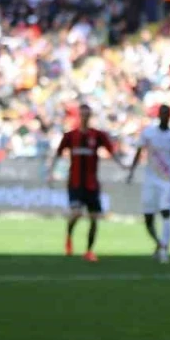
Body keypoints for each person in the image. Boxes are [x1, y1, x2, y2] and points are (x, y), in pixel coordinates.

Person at [48, 103, 118, 262]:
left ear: (90, 116)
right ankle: (69, 236)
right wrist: (51, 173)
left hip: (92, 184)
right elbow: (58, 154)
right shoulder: (70, 136)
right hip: (75, 183)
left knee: (94, 218)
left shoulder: (98, 135)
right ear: (79, 116)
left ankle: (89, 251)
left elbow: (111, 152)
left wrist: (123, 166)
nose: (85, 117)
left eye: (87, 114)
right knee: (77, 213)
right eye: (82, 114)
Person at [127, 104, 170, 264]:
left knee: (165, 212)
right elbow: (139, 152)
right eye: (162, 113)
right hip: (150, 180)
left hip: (167, 181)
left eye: (167, 113)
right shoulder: (148, 133)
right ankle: (159, 243)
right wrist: (131, 171)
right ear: (159, 115)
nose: (164, 116)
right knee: (148, 217)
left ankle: (164, 249)